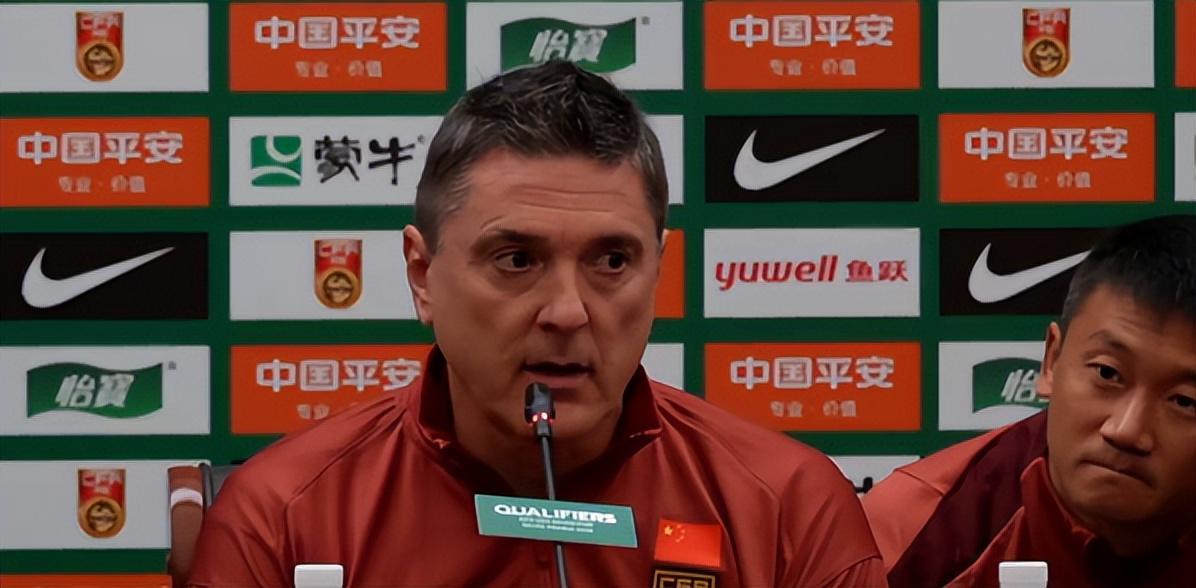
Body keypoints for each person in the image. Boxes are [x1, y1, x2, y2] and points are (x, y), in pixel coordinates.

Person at [186, 61, 885, 587]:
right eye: (517, 260)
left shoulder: (788, 510)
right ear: (423, 275)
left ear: (658, 271)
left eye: (612, 260)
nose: (568, 312)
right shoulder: (283, 519)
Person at [863, 214, 1196, 587]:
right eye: (1107, 373)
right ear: (1052, 360)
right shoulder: (915, 527)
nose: (1126, 431)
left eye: (1185, 401)